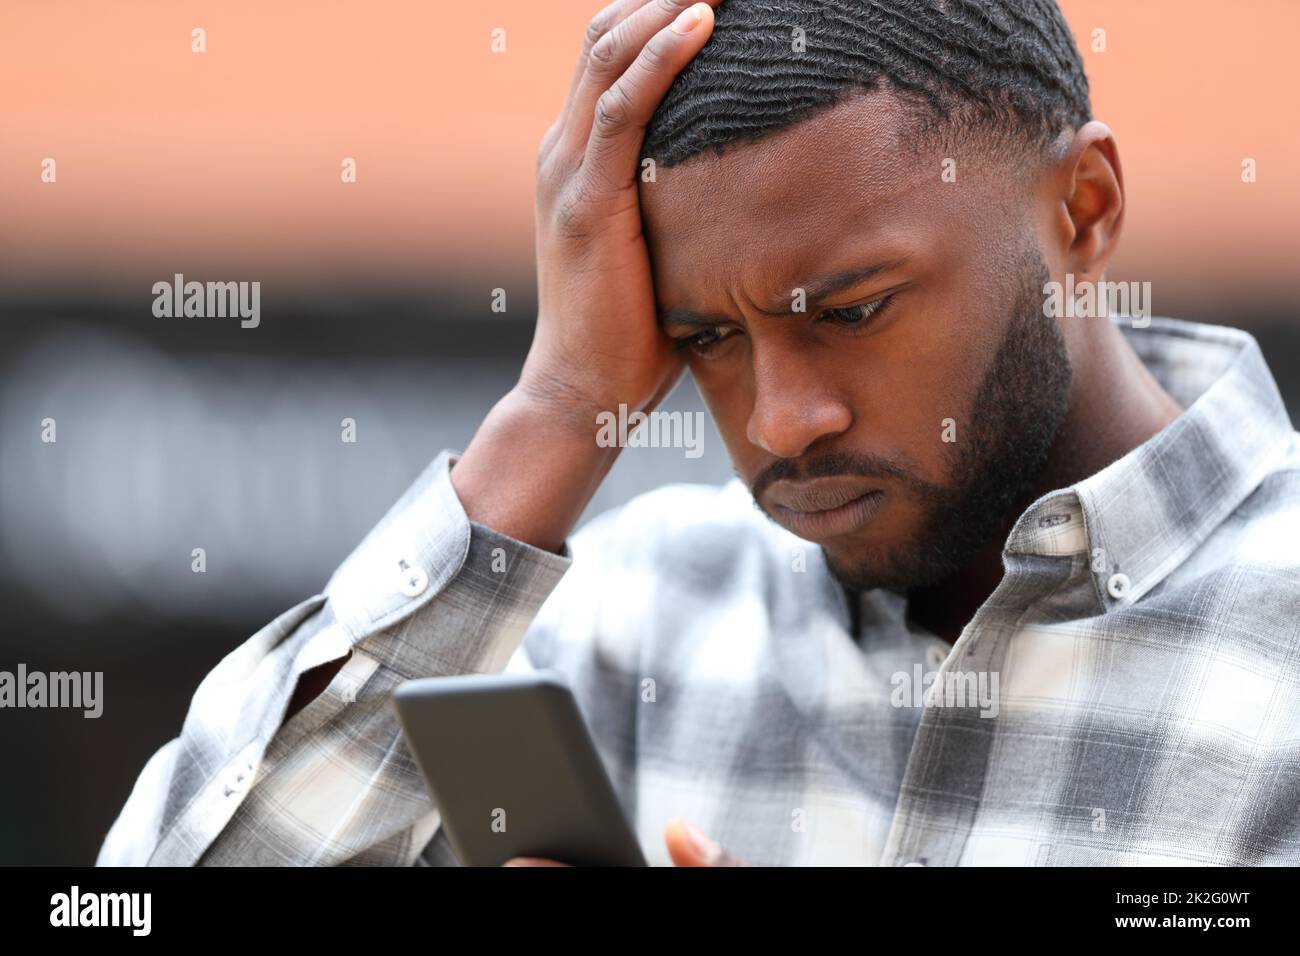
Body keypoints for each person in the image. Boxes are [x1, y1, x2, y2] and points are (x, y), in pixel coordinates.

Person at [99, 0, 1300, 867]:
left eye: (851, 309)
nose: (782, 421)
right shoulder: (631, 616)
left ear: (1082, 212)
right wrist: (560, 407)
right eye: (706, 338)